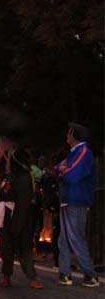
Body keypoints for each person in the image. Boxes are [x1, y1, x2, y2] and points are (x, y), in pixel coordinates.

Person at [57, 123, 99, 287]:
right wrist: (61, 169)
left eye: (69, 132)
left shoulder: (83, 152)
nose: (67, 135)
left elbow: (70, 174)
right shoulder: (75, 153)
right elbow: (60, 167)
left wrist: (61, 170)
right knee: (64, 239)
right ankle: (65, 273)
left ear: (74, 135)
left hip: (76, 200)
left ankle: (90, 274)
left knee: (75, 238)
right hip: (68, 199)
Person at [0, 149, 43, 288]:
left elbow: (23, 203)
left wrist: (16, 225)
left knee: (24, 248)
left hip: (20, 217)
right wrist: (3, 159)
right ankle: (6, 276)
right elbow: (1, 174)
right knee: (6, 249)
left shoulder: (24, 177)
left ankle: (32, 278)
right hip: (7, 217)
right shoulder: (11, 175)